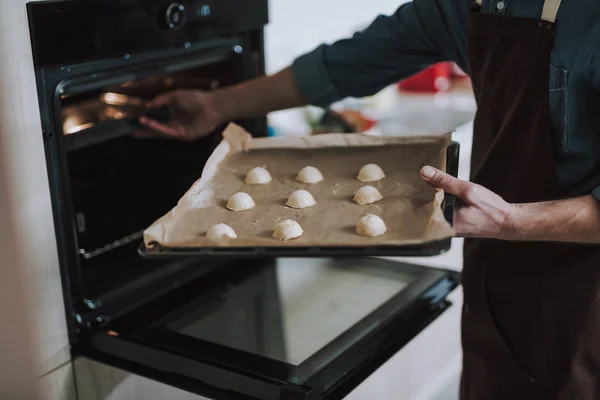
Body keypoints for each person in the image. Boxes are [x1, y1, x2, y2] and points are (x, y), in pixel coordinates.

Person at [140, 0, 600, 398]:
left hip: (580, 291)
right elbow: (352, 60)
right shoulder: (476, 5)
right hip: (494, 265)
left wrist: (514, 222)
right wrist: (219, 106)